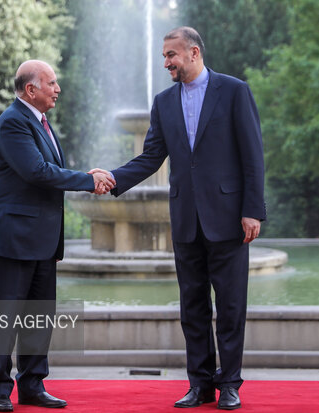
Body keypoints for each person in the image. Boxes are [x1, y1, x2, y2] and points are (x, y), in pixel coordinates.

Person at [92, 27, 265, 410]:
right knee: (193, 308)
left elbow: (253, 155)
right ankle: (200, 385)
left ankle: (230, 384)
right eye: (164, 57)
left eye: (171, 55)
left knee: (232, 307)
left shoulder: (234, 91)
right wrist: (113, 178)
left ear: (194, 53)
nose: (167, 62)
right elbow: (150, 157)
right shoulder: (163, 102)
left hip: (229, 220)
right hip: (185, 220)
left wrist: (253, 209)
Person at [0, 60, 114, 412]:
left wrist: (85, 176)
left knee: (39, 315)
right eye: (51, 83)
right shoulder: (12, 122)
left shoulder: (39, 121)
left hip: (40, 238)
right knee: (5, 316)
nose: (57, 89)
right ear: (30, 90)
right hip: (10, 237)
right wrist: (88, 180)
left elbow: (46, 171)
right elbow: (36, 172)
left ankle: (33, 386)